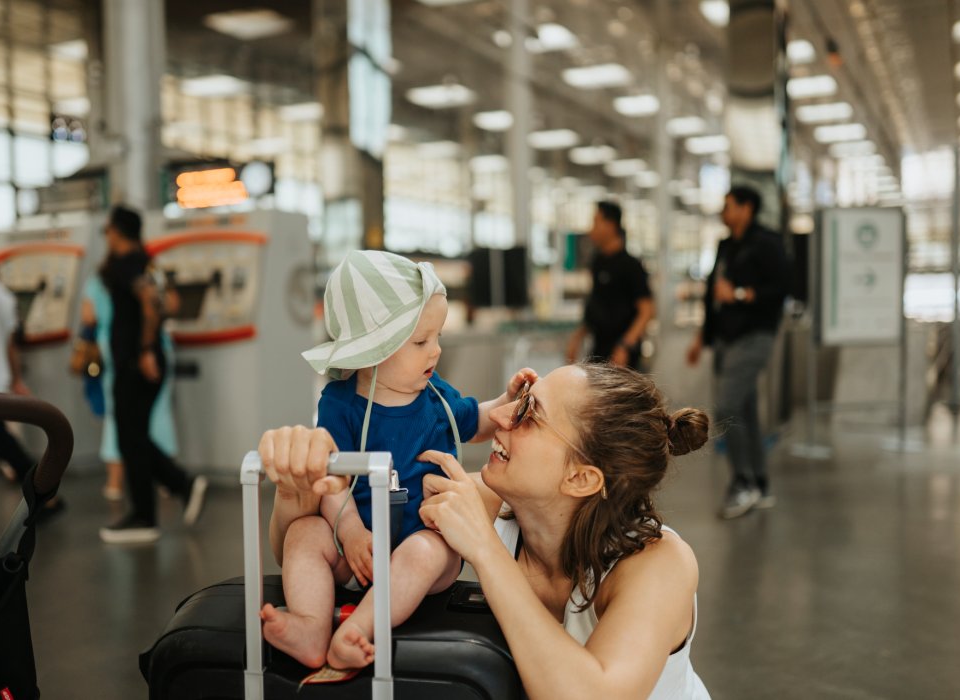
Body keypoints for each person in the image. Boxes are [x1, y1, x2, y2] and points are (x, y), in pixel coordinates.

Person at [260, 362, 712, 698]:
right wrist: (300, 477)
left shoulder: (659, 564)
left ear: (581, 478)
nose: (500, 415)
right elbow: (306, 546)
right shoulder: (485, 504)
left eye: (530, 413)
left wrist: (485, 550)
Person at [258, 250, 533, 674]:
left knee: (425, 552)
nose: (435, 351)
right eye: (421, 341)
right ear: (373, 350)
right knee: (303, 531)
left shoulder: (434, 393)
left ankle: (359, 631)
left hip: (423, 544)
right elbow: (330, 478)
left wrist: (504, 402)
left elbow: (474, 421)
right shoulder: (339, 404)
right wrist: (348, 533)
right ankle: (311, 627)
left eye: (437, 337)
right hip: (356, 547)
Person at [98, 205, 206, 544]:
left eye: (108, 228)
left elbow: (150, 303)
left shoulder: (126, 262)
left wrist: (144, 350)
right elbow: (168, 302)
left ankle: (146, 515)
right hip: (142, 359)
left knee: (131, 438)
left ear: (117, 231)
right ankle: (179, 485)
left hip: (137, 362)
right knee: (135, 436)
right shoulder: (146, 261)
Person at [685, 185, 789, 519]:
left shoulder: (767, 243)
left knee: (727, 406)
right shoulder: (727, 246)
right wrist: (703, 336)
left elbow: (781, 288)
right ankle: (759, 482)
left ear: (747, 209)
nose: (723, 211)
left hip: (755, 335)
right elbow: (714, 295)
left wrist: (742, 294)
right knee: (744, 410)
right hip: (726, 339)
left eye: (729, 205)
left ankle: (742, 482)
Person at [0, 234, 64, 516]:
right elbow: (11, 343)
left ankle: (44, 495)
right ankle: (44, 496)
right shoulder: (1, 293)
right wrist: (14, 379)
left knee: (1, 442)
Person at [81, 262, 178, 502]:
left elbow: (88, 316)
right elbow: (173, 304)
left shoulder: (100, 279)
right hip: (155, 349)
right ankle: (168, 481)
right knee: (159, 413)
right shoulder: (152, 273)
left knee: (119, 417)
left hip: (117, 351)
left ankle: (115, 482)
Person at [566, 201, 655, 369]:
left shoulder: (631, 265)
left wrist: (625, 346)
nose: (591, 228)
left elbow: (647, 311)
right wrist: (577, 337)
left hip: (624, 357)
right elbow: (596, 304)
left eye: (596, 221)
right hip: (599, 350)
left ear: (610, 225)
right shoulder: (597, 262)